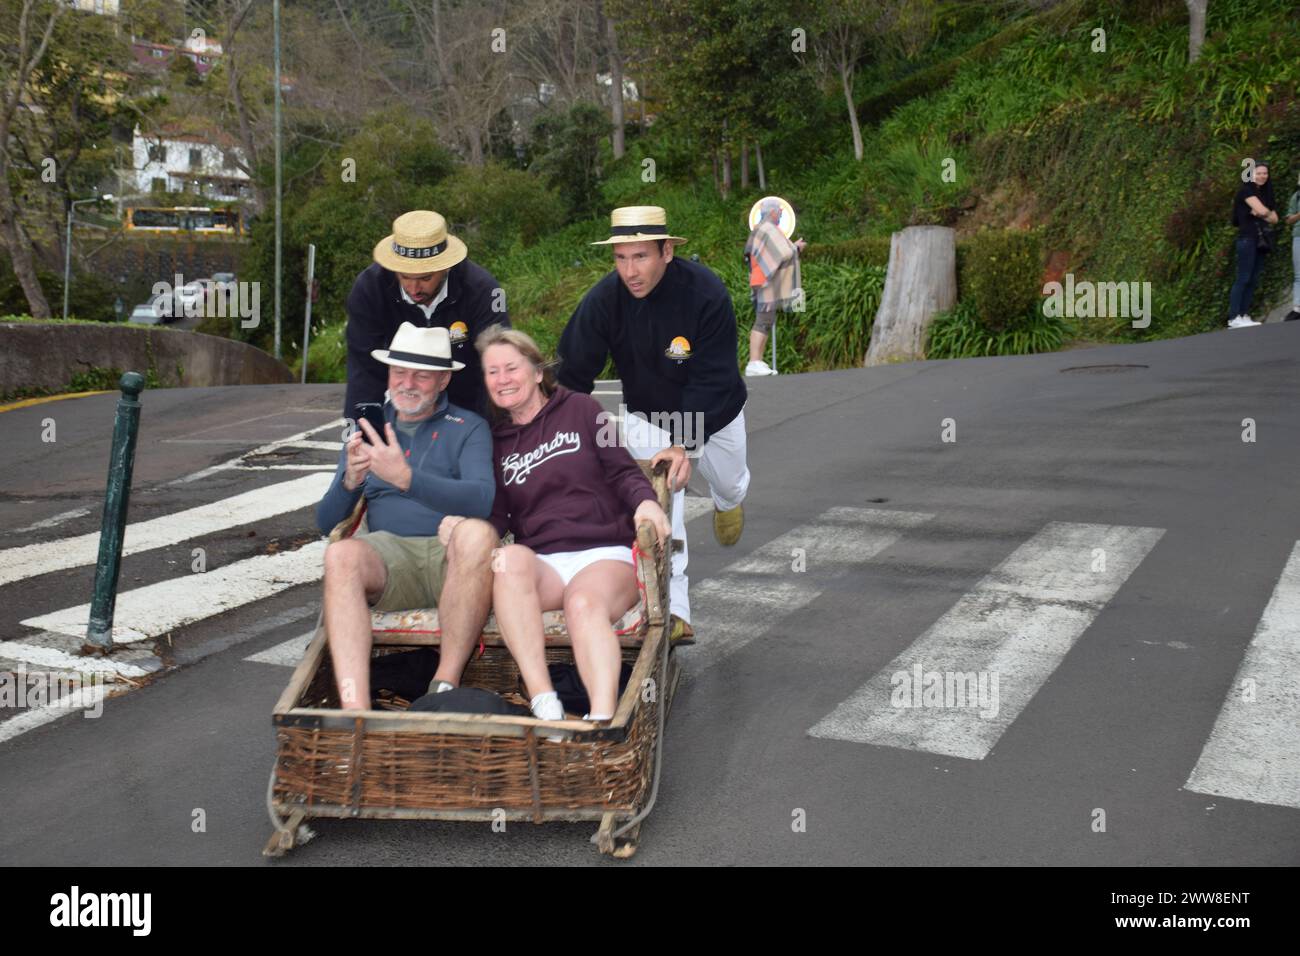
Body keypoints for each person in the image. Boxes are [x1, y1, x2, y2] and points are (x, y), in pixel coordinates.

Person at [455, 326, 670, 722]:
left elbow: (622, 469)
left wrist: (646, 503)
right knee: (508, 561)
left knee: (583, 602)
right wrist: (464, 530)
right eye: (492, 372)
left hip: (604, 552)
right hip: (545, 563)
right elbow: (497, 515)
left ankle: (602, 720)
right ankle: (545, 702)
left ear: (537, 371)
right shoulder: (496, 441)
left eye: (511, 368)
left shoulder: (584, 409)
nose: (502, 380)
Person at [556, 205, 750, 642]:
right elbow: (572, 370)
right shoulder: (604, 300)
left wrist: (684, 441)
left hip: (716, 411)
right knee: (662, 503)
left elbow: (714, 376)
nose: (630, 271)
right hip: (649, 416)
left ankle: (727, 498)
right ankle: (675, 611)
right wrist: (559, 424)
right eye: (621, 258)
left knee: (732, 482)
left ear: (666, 251)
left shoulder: (705, 292)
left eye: (640, 256)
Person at [317, 322, 498, 710]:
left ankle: (443, 686)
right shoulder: (367, 430)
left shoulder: (468, 427)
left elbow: (482, 499)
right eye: (399, 371)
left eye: (422, 374)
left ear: (443, 380)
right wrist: (350, 481)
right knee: (339, 555)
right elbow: (324, 523)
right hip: (389, 558)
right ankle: (354, 710)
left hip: (454, 558)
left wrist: (406, 478)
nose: (408, 382)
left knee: (478, 535)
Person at [343, 209, 508, 427]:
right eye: (404, 276)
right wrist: (362, 434)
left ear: (446, 266)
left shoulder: (483, 290)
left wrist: (497, 434)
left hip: (468, 406)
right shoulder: (369, 289)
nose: (413, 288)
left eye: (425, 278)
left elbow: (498, 364)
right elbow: (364, 371)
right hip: (400, 409)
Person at [745, 197, 806, 376]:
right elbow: (782, 252)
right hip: (764, 280)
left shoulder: (765, 229)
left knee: (766, 320)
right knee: (763, 320)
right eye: (779, 211)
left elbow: (778, 251)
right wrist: (796, 249)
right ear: (772, 212)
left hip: (764, 279)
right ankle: (754, 362)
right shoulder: (766, 229)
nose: (780, 213)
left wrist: (793, 247)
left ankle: (757, 361)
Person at [1227, 161, 1279, 328]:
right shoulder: (1246, 191)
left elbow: (1274, 218)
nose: (1262, 176)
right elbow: (1265, 212)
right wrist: (1263, 212)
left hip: (1260, 240)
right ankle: (1234, 317)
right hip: (1247, 239)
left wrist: (1261, 212)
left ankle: (1243, 314)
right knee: (1243, 277)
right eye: (1258, 173)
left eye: (1265, 173)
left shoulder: (1265, 194)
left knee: (1254, 278)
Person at [1285, 171, 1300, 323]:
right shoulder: (1296, 196)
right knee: (1298, 275)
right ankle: (1297, 308)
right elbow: (1289, 219)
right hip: (1299, 236)